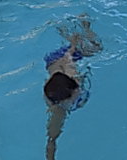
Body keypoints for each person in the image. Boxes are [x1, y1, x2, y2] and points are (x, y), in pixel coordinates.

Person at [44, 16, 102, 160]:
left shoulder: (72, 76)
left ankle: (85, 26)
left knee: (97, 49)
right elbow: (51, 140)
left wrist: (73, 45)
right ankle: (75, 31)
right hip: (56, 64)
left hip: (61, 58)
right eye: (77, 90)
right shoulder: (58, 109)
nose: (78, 90)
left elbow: (67, 59)